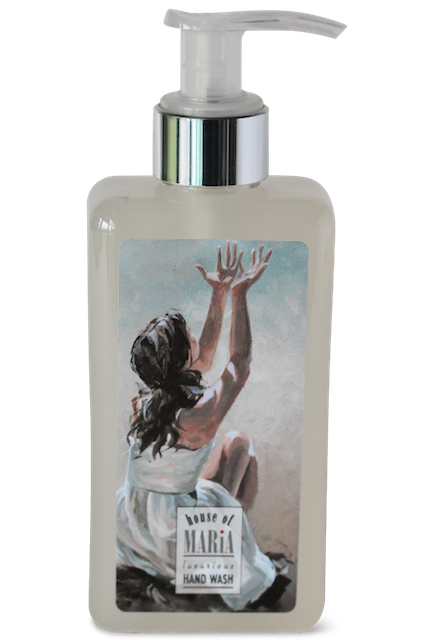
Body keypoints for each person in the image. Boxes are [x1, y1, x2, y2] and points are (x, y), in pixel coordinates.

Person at [116, 242, 289, 611]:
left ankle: (212, 547)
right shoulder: (199, 416)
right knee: (241, 446)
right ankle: (216, 558)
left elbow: (205, 356)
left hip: (138, 521)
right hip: (173, 533)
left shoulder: (149, 398)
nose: (198, 339)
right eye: (191, 336)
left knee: (233, 444)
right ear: (182, 358)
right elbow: (239, 361)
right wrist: (240, 295)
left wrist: (219, 292)